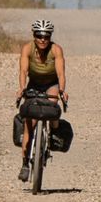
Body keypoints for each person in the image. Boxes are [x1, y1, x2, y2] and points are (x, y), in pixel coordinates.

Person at [17, 19, 68, 181]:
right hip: (34, 84)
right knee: (29, 124)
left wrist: (62, 90)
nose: (43, 39)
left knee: (52, 107)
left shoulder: (56, 50)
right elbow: (23, 71)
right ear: (34, 35)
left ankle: (53, 132)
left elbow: (61, 73)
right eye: (39, 36)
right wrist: (21, 88)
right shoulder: (27, 49)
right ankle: (25, 163)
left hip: (51, 84)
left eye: (46, 36)